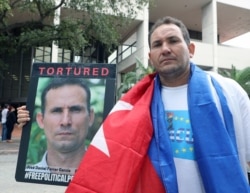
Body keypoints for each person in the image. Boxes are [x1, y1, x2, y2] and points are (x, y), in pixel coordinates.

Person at [65, 16, 250, 193]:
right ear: (151, 57)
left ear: (191, 49)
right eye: (157, 44)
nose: (165, 49)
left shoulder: (229, 92)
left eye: (173, 41)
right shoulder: (132, 106)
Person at [17, 78, 95, 175]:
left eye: (75, 110)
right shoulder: (28, 176)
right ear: (41, 120)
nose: (65, 121)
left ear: (90, 117)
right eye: (56, 111)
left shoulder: (106, 177)